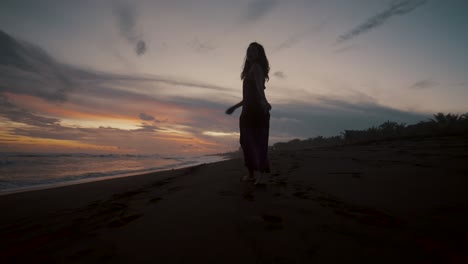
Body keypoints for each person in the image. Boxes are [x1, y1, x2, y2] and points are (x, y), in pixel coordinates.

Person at [225, 42, 271, 185]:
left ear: (259, 54)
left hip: (256, 112)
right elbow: (248, 97)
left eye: (254, 50)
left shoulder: (256, 68)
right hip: (247, 112)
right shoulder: (251, 69)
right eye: (249, 50)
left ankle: (261, 176)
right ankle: (251, 174)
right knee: (246, 143)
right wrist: (235, 107)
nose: (250, 52)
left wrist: (264, 102)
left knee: (258, 143)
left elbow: (259, 89)